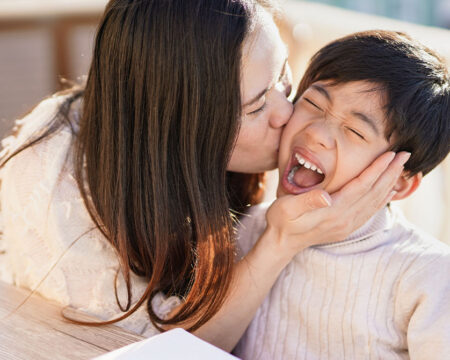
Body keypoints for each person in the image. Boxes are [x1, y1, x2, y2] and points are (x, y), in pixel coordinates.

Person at [0, 0, 407, 352]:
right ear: (177, 126)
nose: (287, 112)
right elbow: (164, 352)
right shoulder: (62, 188)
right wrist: (282, 241)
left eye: (283, 77)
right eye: (255, 107)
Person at [234, 30, 450, 359]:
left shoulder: (427, 276)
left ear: (400, 182)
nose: (317, 133)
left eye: (354, 130)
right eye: (313, 103)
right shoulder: (243, 230)